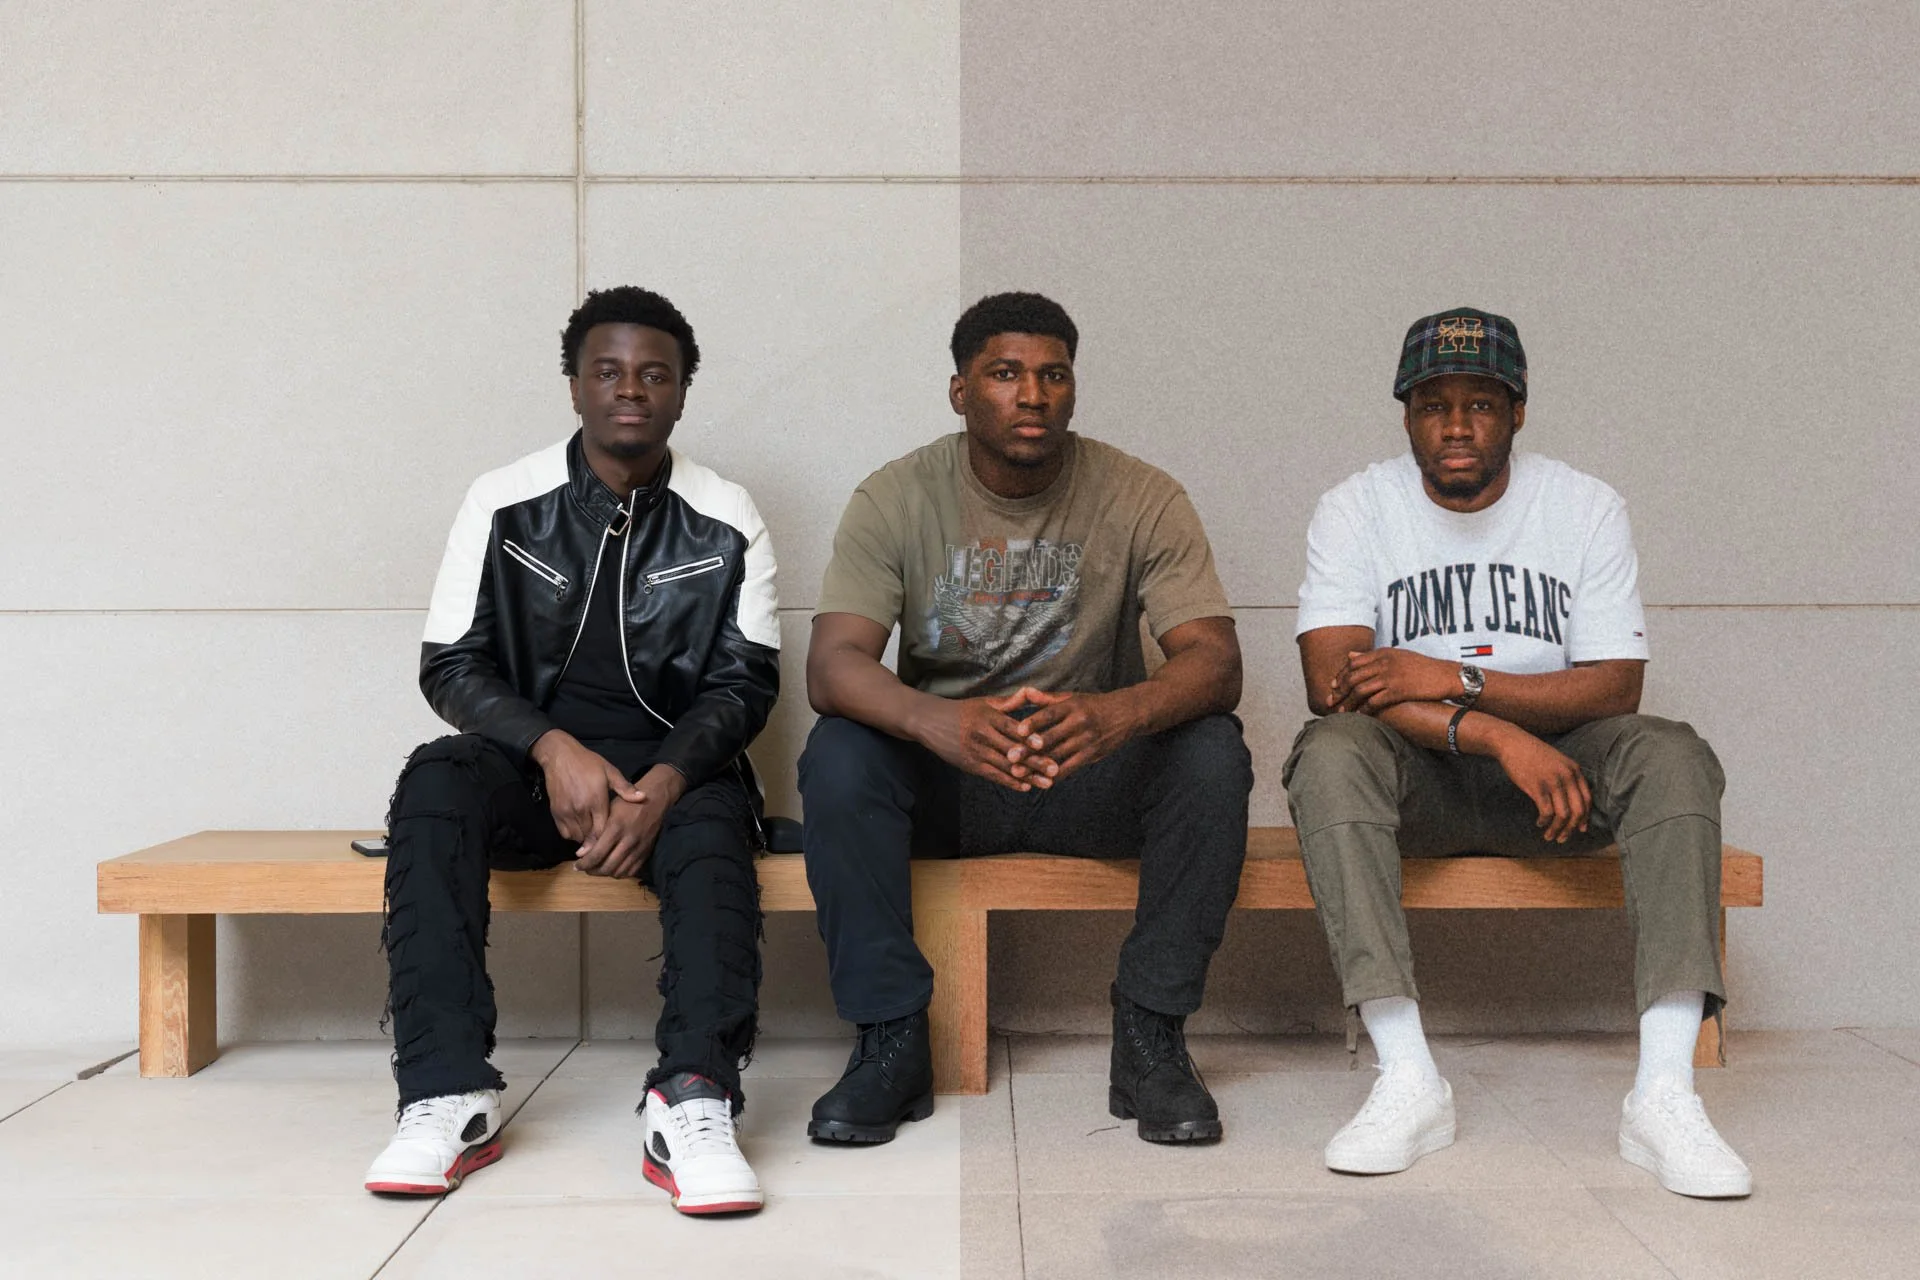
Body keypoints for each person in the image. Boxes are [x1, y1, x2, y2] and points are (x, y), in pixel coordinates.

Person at [1283, 307, 1750, 1197]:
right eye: (1433, 404)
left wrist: (1451, 679)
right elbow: (1331, 682)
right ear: (1406, 415)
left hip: (1558, 785)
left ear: (1518, 412)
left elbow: (1618, 686)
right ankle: (1408, 1075)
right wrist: (1494, 732)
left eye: (1481, 404)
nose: (1456, 426)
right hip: (1416, 782)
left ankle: (1664, 1091)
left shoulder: (1582, 505)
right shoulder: (1356, 508)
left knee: (1674, 755)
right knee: (1331, 749)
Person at [798, 292, 1254, 1147]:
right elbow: (833, 665)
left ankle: (1150, 1033)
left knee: (1211, 751)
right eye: (1005, 374)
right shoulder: (897, 495)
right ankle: (891, 1038)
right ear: (961, 391)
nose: (1032, 394)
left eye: (1053, 375)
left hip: (1087, 776)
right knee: (841, 752)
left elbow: (1216, 661)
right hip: (951, 783)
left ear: (1074, 391)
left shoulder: (1142, 494)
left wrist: (1120, 714)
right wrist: (937, 722)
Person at [362, 286, 781, 1215]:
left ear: (681, 393)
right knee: (435, 782)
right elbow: (451, 666)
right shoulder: (504, 500)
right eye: (608, 371)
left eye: (653, 374)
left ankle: (694, 1098)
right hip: (526, 764)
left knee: (715, 834)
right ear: (575, 387)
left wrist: (665, 782)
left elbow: (743, 685)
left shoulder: (725, 515)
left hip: (676, 768)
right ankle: (445, 1092)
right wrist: (553, 748)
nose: (629, 389)